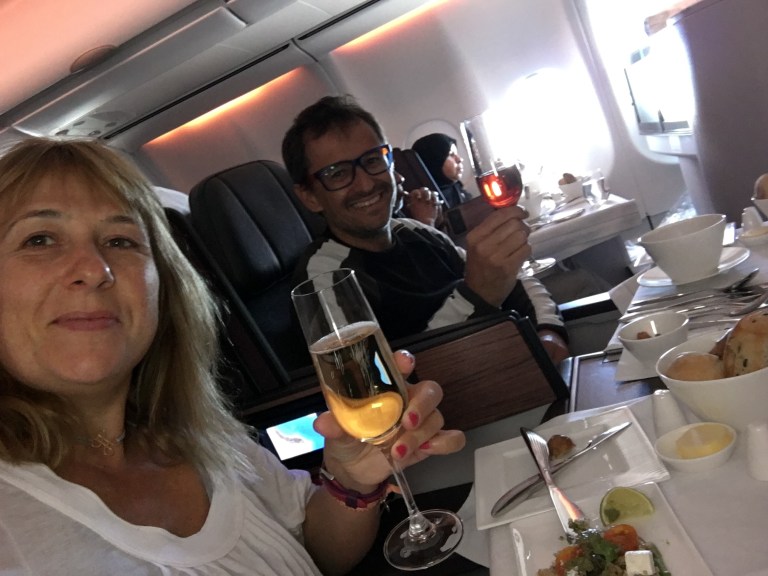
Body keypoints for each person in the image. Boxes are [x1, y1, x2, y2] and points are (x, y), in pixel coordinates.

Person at [0, 137, 465, 575]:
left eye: (121, 241)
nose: (94, 269)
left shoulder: (201, 433)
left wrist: (352, 480)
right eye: (39, 239)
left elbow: (315, 549)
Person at [283, 95, 569, 365]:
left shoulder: (417, 232)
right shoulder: (327, 280)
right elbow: (378, 384)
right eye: (337, 174)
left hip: (516, 362)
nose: (366, 184)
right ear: (310, 196)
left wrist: (548, 330)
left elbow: (510, 277)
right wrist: (476, 295)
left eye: (373, 160)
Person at [411, 133, 474, 209]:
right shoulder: (424, 202)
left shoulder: (457, 190)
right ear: (435, 161)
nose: (460, 159)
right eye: (451, 154)